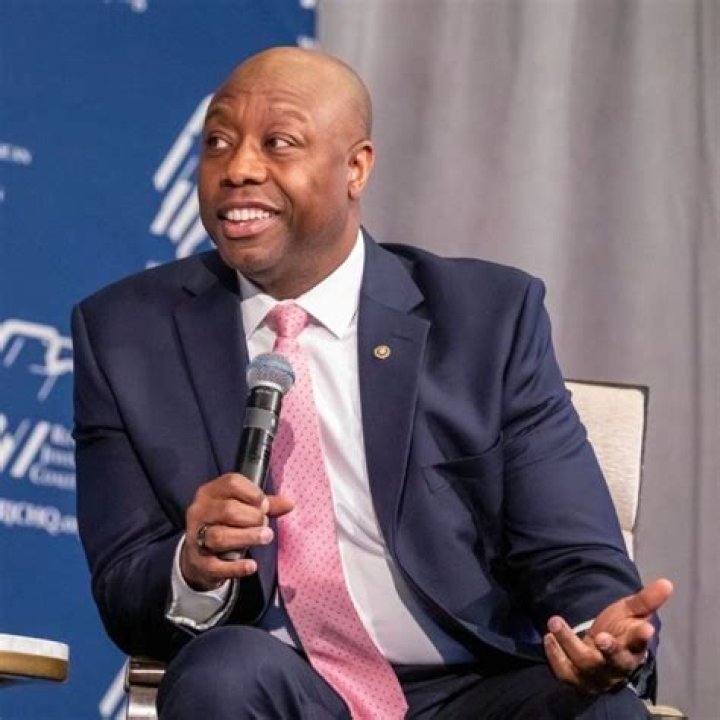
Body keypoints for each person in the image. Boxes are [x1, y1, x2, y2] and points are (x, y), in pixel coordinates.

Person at [72, 46, 673, 719]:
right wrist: (193, 565)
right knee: (221, 674)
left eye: (278, 143)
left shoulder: (486, 320)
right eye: (217, 142)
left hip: (473, 686)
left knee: (603, 711)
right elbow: (124, 586)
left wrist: (600, 636)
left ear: (355, 168)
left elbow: (572, 552)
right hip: (285, 686)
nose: (238, 168)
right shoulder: (127, 335)